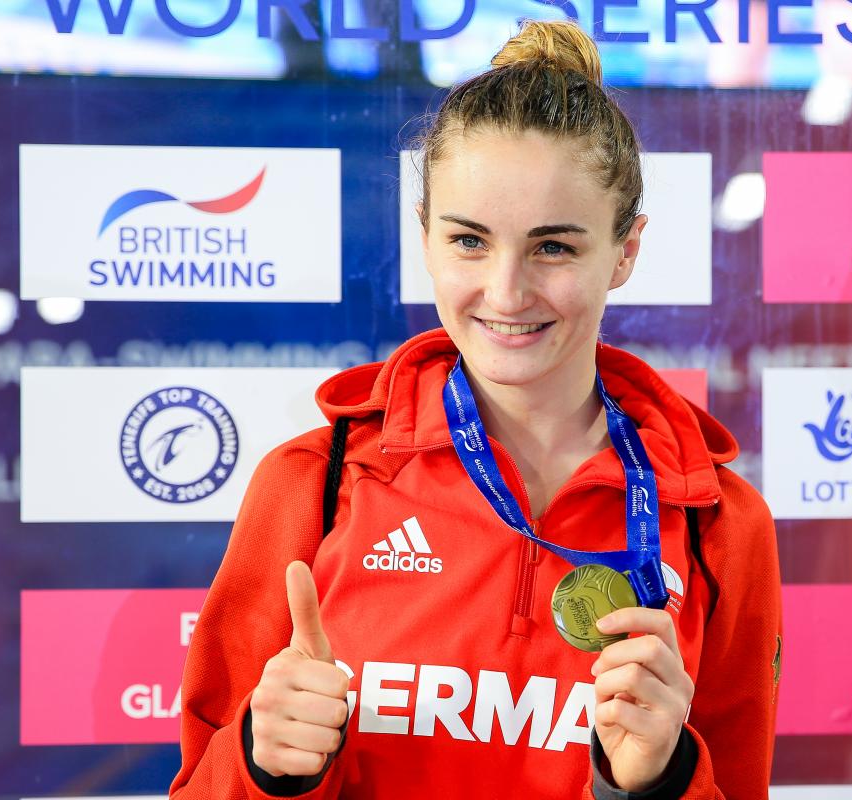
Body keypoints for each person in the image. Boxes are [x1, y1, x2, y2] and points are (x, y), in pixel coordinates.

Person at [170, 18, 781, 800]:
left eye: (553, 247)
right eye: (469, 241)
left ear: (625, 250)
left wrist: (653, 786)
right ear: (425, 237)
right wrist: (266, 767)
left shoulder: (717, 525)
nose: (506, 292)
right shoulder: (313, 485)